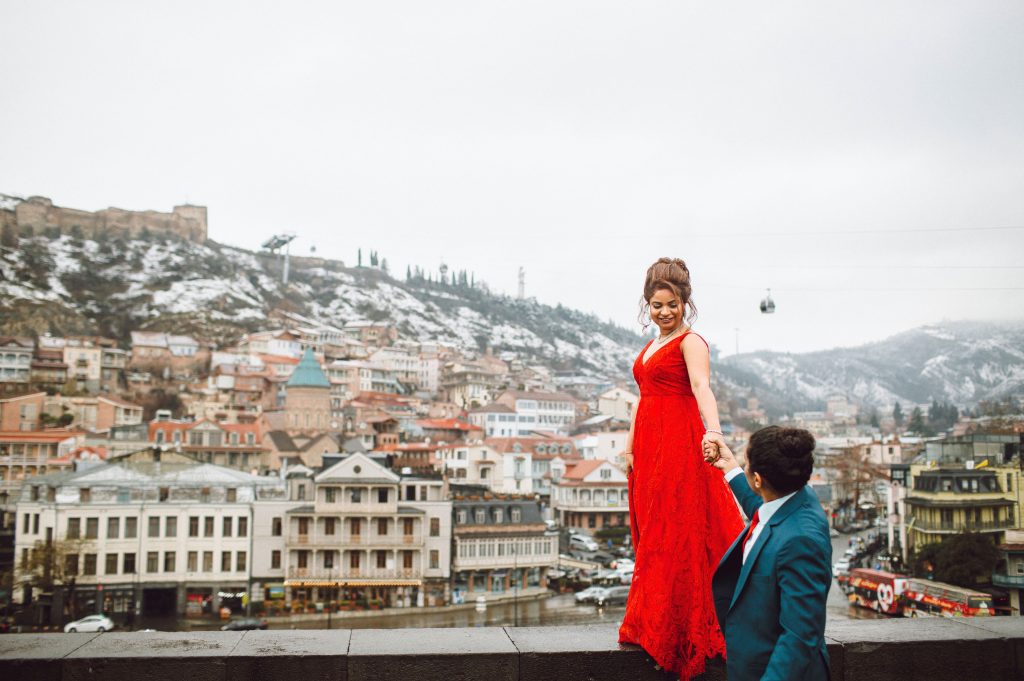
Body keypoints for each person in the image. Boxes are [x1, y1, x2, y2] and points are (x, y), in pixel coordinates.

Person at [618, 257, 744, 679]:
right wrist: (631, 447)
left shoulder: (691, 342)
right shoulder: (652, 345)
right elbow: (642, 397)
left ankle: (674, 633)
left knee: (678, 532)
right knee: (656, 532)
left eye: (671, 304)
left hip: (679, 445)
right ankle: (654, 624)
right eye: (656, 305)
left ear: (684, 302)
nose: (664, 311)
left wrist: (716, 433)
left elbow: (701, 388)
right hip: (652, 448)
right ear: (647, 305)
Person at [704, 426, 832, 681]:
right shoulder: (796, 497)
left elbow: (800, 636)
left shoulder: (800, 542)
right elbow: (763, 511)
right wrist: (730, 467)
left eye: (746, 462)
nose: (745, 464)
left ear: (759, 480)